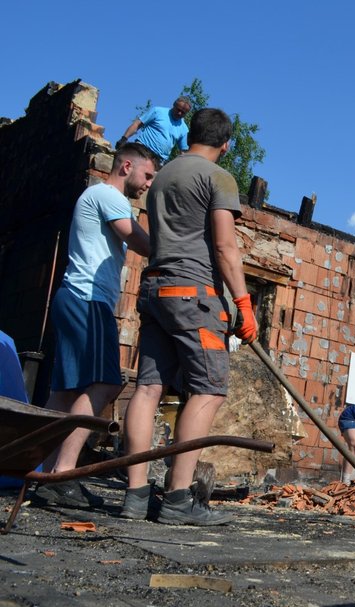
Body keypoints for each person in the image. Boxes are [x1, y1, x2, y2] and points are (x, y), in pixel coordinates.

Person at [120, 108, 258, 526]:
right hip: (194, 295)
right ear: (226, 143)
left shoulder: (161, 176)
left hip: (156, 288)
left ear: (190, 134)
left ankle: (135, 495)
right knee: (209, 389)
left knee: (148, 389)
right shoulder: (218, 177)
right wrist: (244, 302)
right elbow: (224, 248)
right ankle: (178, 499)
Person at [31, 144, 159, 509]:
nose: (147, 184)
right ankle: (61, 476)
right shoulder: (106, 195)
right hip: (88, 301)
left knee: (65, 394)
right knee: (105, 383)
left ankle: (43, 473)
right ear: (127, 166)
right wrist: (177, 249)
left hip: (74, 298)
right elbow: (139, 240)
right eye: (147, 175)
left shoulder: (95, 196)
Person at [117, 96, 191, 163]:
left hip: (158, 160)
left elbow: (183, 151)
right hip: (141, 150)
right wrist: (124, 138)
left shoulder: (184, 129)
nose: (179, 113)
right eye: (178, 109)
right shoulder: (158, 111)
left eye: (183, 112)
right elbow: (137, 124)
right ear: (173, 105)